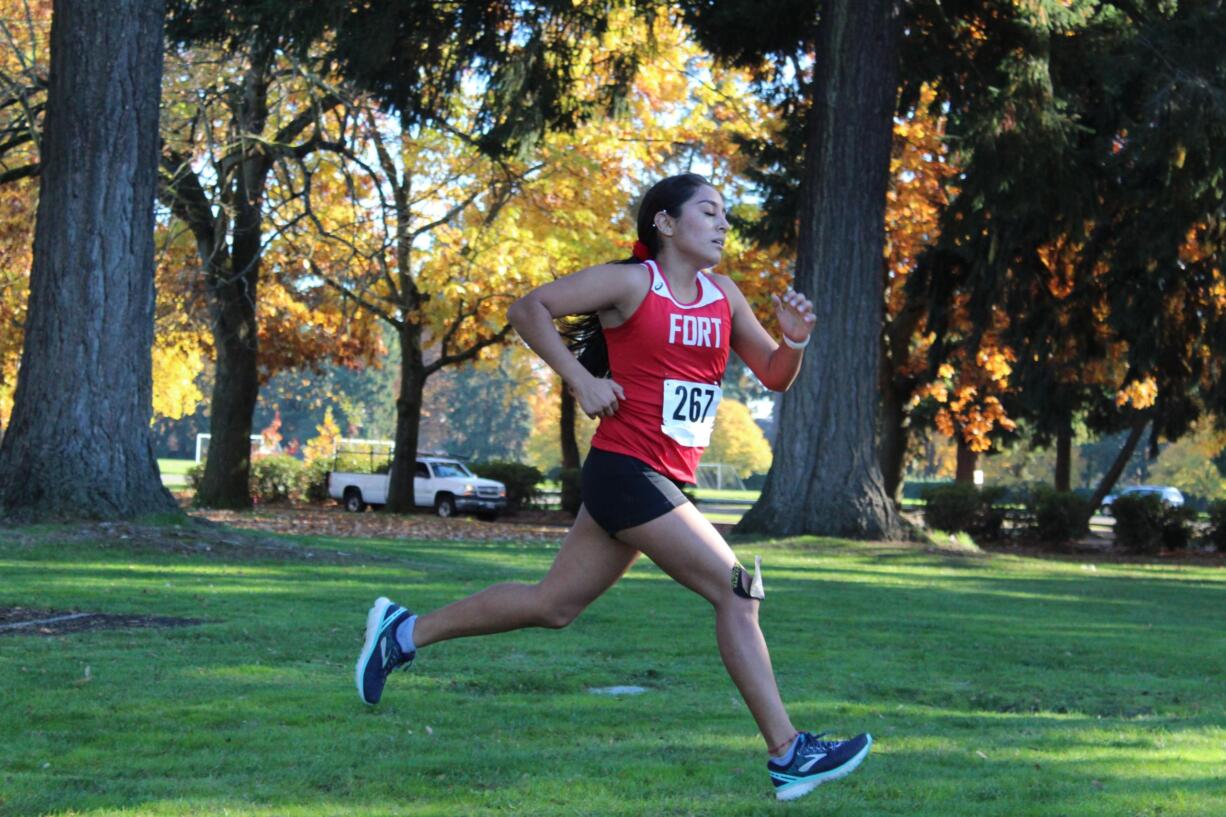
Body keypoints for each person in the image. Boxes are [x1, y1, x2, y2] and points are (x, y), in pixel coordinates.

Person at [355, 173, 871, 801]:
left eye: (725, 215)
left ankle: (402, 633)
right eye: (707, 211)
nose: (722, 223)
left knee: (554, 605)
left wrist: (794, 338)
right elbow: (529, 308)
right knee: (739, 591)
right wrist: (580, 380)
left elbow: (774, 375)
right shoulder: (632, 283)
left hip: (658, 477)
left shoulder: (725, 296)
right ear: (665, 223)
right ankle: (788, 752)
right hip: (626, 469)